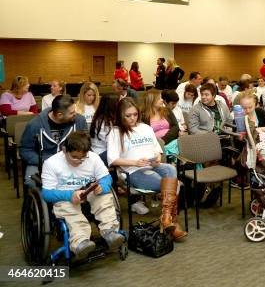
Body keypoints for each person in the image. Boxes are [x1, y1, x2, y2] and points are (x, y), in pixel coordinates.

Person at [107, 98, 187, 240]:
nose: (132, 118)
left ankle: (166, 217)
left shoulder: (145, 128)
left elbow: (157, 150)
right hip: (132, 171)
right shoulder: (115, 132)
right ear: (120, 115)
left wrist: (157, 157)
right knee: (172, 184)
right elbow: (112, 160)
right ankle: (171, 220)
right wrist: (135, 163)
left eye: (135, 114)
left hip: (152, 165)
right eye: (128, 115)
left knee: (170, 169)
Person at [41, 131, 124, 260]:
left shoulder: (93, 157)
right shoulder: (51, 163)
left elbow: (106, 177)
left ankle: (110, 232)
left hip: (87, 191)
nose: (79, 161)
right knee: (69, 209)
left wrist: (104, 186)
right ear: (64, 150)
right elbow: (47, 193)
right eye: (74, 157)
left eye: (83, 157)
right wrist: (70, 195)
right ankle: (81, 242)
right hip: (65, 196)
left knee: (104, 197)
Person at [21, 95, 88, 187]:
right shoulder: (35, 125)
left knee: (88, 177)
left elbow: (86, 143)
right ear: (60, 115)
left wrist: (75, 158)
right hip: (43, 160)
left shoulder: (79, 121)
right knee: (32, 181)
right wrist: (44, 161)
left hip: (71, 159)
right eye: (72, 113)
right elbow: (25, 150)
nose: (75, 114)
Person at [90, 93, 120, 165]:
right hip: (101, 152)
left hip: (110, 149)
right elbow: (111, 141)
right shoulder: (100, 121)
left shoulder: (113, 117)